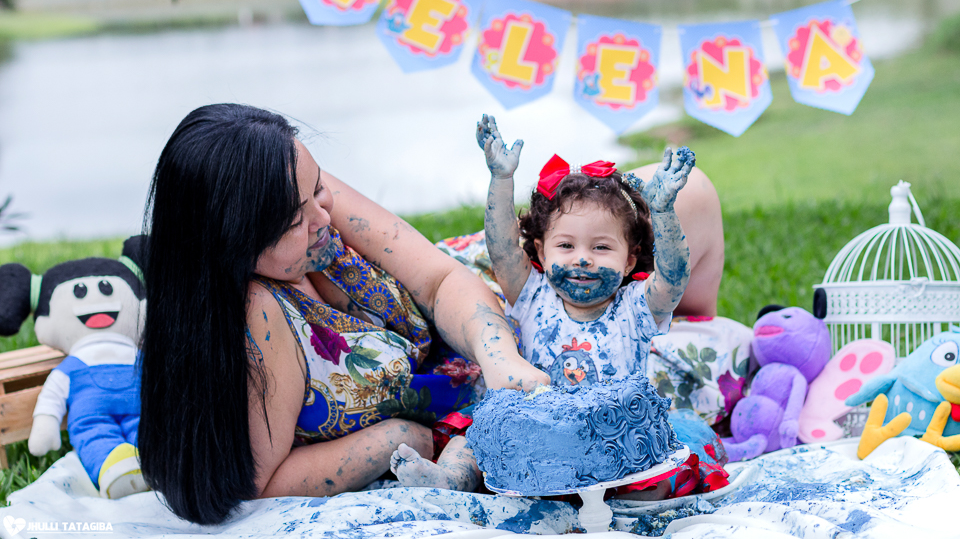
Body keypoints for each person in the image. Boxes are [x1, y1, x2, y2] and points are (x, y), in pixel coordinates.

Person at [137, 104, 549, 525]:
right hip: (454, 392)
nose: (324, 217)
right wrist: (398, 437)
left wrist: (498, 356)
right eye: (295, 221)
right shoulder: (257, 314)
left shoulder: (291, 182)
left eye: (318, 188)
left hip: (478, 307)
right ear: (234, 243)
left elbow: (439, 280)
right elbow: (258, 486)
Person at [390, 114, 696, 491]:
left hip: (613, 449)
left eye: (601, 247)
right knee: (469, 443)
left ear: (630, 259)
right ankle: (448, 480)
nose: (582, 258)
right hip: (532, 441)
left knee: (657, 481)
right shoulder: (535, 295)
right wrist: (502, 181)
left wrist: (663, 211)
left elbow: (674, 277)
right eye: (566, 246)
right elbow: (502, 249)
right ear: (540, 249)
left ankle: (624, 521)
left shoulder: (636, 307)